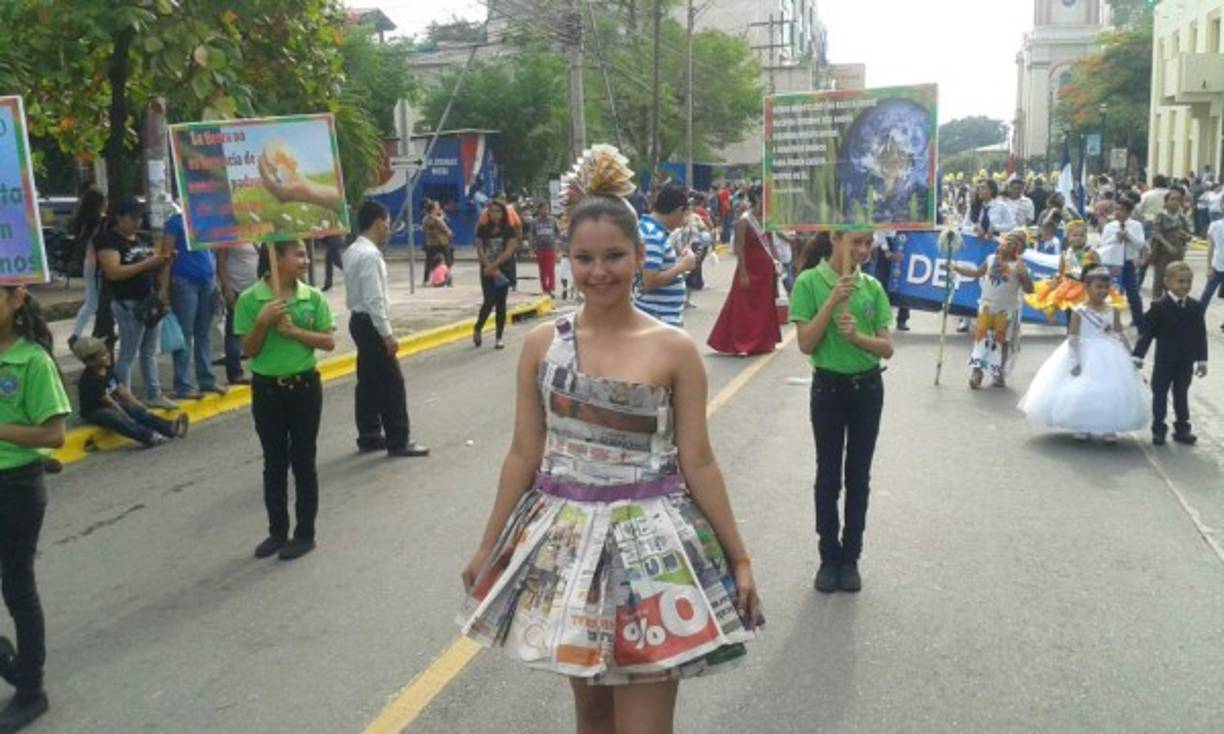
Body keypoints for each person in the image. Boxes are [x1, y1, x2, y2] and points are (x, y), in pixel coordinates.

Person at [458, 161, 763, 733]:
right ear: (568, 260)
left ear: (640, 256)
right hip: (569, 549)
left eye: (615, 256)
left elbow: (698, 460)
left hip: (656, 554)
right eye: (585, 258)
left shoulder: (675, 350)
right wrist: (488, 546)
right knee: (592, 721)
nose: (599, 272)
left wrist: (739, 557)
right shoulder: (542, 345)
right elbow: (524, 453)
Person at [790, 227, 893, 593]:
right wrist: (833, 301)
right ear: (835, 239)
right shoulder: (808, 283)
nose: (863, 250)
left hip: (867, 389)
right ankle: (828, 557)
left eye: (868, 243)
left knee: (859, 477)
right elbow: (805, 343)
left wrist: (857, 338)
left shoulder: (873, 288)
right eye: (856, 242)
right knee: (828, 476)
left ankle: (851, 558)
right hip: (828, 390)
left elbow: (886, 348)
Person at [234, 241, 336, 561]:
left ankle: (305, 533)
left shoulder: (312, 297)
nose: (306, 260)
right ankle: (277, 532)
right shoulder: (250, 300)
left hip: (304, 388)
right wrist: (263, 321)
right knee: (274, 462)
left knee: (303, 461)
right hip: (267, 390)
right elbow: (249, 350)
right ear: (276, 260)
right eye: (299, 254)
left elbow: (329, 341)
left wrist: (294, 332)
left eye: (305, 254)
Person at [0, 287, 69, 732]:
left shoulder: (33, 362)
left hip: (16, 488)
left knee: (17, 586)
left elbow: (54, 435)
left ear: (16, 299)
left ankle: (31, 689)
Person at [1018, 266, 1149, 443]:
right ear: (1087, 288)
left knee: (1109, 389)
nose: (1102, 291)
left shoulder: (1113, 310)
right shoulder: (1079, 311)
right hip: (1085, 351)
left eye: (1105, 287)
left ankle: (1108, 426)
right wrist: (1074, 360)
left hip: (1110, 354)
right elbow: (1073, 338)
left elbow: (1119, 334)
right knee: (1083, 388)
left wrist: (1130, 355)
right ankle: (1082, 424)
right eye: (1098, 287)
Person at [343, 201, 429, 459]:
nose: (389, 229)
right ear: (379, 223)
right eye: (388, 224)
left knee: (368, 380)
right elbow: (374, 299)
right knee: (392, 383)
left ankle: (369, 434)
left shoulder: (352, 250)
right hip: (371, 322)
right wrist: (387, 333)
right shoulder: (369, 255)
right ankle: (398, 439)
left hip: (358, 320)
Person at [95, 198, 176, 410]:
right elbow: (113, 272)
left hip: (147, 301)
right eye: (133, 218)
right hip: (127, 302)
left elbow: (148, 267)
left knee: (149, 351)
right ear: (119, 217)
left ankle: (154, 392)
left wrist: (163, 261)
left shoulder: (138, 239)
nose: (137, 223)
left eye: (140, 218)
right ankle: (126, 398)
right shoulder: (108, 241)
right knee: (128, 353)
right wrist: (148, 263)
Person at [1133, 262, 1209, 445]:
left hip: (1185, 362)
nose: (1184, 285)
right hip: (1164, 361)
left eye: (1188, 281)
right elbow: (1147, 333)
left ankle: (1182, 428)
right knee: (1159, 393)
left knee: (1181, 394)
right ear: (1167, 282)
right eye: (1180, 281)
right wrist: (1138, 356)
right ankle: (1158, 429)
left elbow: (1200, 334)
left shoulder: (1196, 307)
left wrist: (1202, 360)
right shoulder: (1159, 306)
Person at [950, 231, 1035, 389]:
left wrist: (1024, 274)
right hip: (987, 308)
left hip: (1007, 311)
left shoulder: (1019, 267)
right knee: (981, 340)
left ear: (1021, 250)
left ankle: (998, 372)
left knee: (1001, 342)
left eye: (1014, 243)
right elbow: (976, 273)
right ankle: (977, 373)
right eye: (1007, 240)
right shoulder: (990, 259)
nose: (1009, 244)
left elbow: (1030, 290)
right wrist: (956, 268)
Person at [72, 336, 188, 448]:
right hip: (95, 411)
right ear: (90, 362)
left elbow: (122, 391)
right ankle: (148, 436)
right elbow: (110, 402)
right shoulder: (90, 380)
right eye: (102, 356)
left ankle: (169, 427)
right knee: (117, 419)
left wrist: (139, 406)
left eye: (106, 353)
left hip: (111, 404)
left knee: (137, 411)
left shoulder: (107, 370)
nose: (108, 356)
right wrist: (127, 418)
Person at [707, 185, 782, 355]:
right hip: (749, 269)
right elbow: (739, 248)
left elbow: (770, 243)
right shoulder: (744, 220)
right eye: (764, 197)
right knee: (743, 308)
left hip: (765, 270)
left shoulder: (767, 219)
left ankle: (763, 341)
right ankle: (742, 342)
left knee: (764, 306)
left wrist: (777, 262)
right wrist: (742, 272)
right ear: (756, 198)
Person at [161, 210, 224, 401]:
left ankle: (206, 379)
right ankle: (183, 384)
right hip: (184, 281)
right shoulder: (175, 222)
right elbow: (167, 256)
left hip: (207, 281)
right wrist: (163, 287)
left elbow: (213, 254)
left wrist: (217, 283)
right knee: (185, 334)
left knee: (204, 333)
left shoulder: (209, 220)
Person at [634, 183, 694, 327]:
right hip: (659, 317)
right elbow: (650, 281)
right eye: (685, 213)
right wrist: (681, 267)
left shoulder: (648, 229)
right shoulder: (653, 236)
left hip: (657, 316)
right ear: (679, 210)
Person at [473, 201, 519, 350]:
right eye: (492, 211)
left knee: (501, 303)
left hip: (502, 270)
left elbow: (508, 251)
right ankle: (478, 327)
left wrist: (494, 266)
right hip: (486, 269)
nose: (495, 214)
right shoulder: (483, 229)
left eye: (498, 211)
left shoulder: (509, 230)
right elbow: (480, 248)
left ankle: (499, 336)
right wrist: (487, 266)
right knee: (489, 300)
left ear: (503, 213)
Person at [1096, 199, 1148, 330]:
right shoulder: (1110, 226)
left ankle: (1139, 323)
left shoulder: (1136, 226)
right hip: (1113, 264)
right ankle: (1108, 322)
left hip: (1128, 263)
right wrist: (1116, 238)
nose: (1118, 213)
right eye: (1116, 209)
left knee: (1133, 295)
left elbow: (1141, 245)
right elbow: (1103, 245)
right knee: (1112, 294)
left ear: (1129, 212)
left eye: (1122, 210)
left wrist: (1128, 236)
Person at [67, 187, 108, 349]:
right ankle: (77, 335)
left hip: (89, 264)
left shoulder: (83, 221)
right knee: (94, 303)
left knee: (92, 302)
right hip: (98, 266)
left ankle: (78, 334)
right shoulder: (102, 221)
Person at [216, 243, 260, 385]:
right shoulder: (228, 235)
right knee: (234, 332)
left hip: (255, 290)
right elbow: (221, 262)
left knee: (256, 331)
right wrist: (227, 288)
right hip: (237, 290)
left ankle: (258, 369)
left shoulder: (253, 233)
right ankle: (235, 373)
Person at [1148, 188, 1192, 301]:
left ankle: (1171, 305)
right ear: (1166, 202)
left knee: (1175, 281)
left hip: (1178, 254)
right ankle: (1156, 306)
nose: (1175, 202)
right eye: (1172, 199)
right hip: (1163, 254)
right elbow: (1156, 233)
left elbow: (1189, 234)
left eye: (1178, 199)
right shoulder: (1161, 216)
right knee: (1160, 280)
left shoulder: (1181, 217)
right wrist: (1168, 245)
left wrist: (1186, 236)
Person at [528, 202, 559, 298]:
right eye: (543, 209)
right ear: (539, 210)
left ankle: (550, 289)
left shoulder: (553, 220)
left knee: (551, 270)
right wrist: (531, 249)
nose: (545, 211)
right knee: (542, 271)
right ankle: (545, 289)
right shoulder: (534, 222)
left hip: (551, 248)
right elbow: (531, 235)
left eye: (547, 209)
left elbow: (558, 233)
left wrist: (558, 246)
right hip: (540, 249)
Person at [422, 201, 454, 285]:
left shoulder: (425, 219)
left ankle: (426, 280)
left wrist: (441, 217)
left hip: (431, 243)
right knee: (447, 261)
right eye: (437, 207)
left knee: (429, 262)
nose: (439, 208)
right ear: (433, 209)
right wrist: (450, 233)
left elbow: (425, 229)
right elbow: (446, 230)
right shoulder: (437, 220)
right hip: (442, 242)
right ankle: (448, 280)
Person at [1201, 214, 1224, 330]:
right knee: (1206, 295)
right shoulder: (1215, 225)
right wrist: (1208, 267)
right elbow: (1210, 247)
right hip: (1218, 266)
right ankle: (1196, 319)